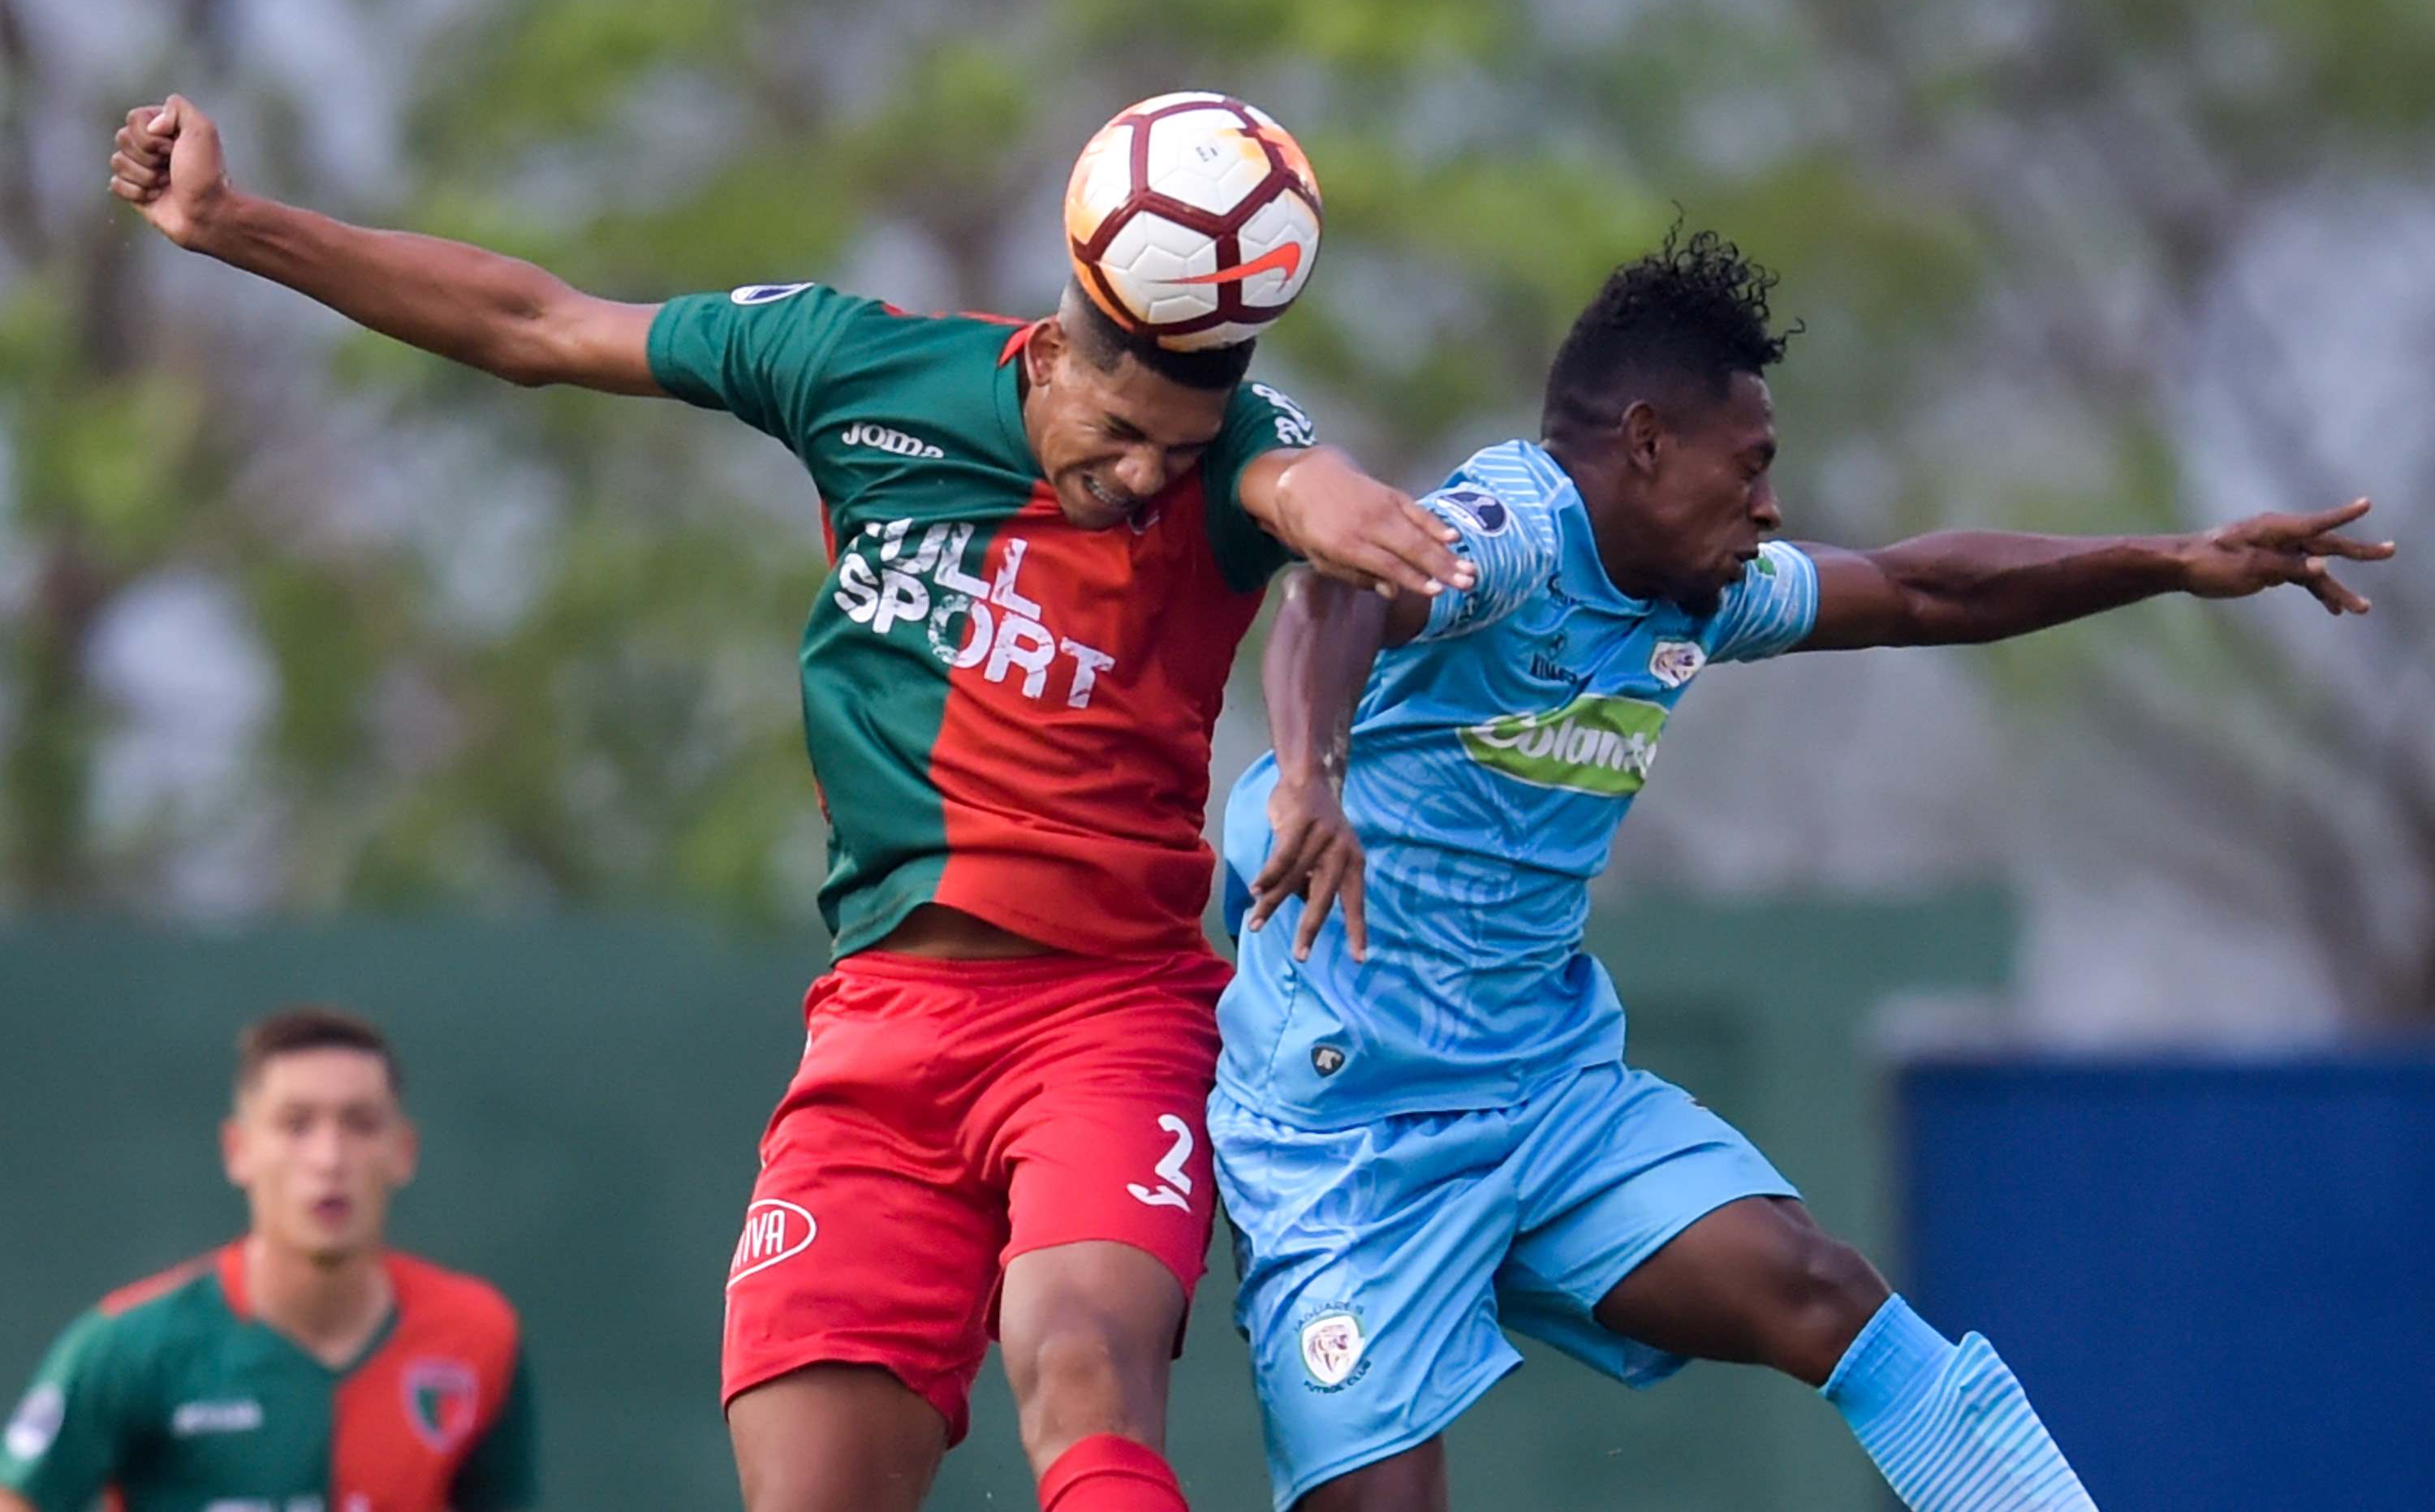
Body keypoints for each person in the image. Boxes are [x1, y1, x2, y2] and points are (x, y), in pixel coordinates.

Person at [106, 94, 1467, 1512]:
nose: (1143, 481)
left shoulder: (1234, 443)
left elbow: (1306, 498)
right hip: (878, 1040)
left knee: (1078, 1364)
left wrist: (1330, 537)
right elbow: (536, 324)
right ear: (1054, 343)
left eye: (1180, 460)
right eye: (1124, 434)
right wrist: (228, 222)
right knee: (810, 1481)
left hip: (1109, 1024)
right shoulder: (857, 370)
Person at [1218, 227, 2394, 1512]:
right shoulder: (1501, 539)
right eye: (1754, 467)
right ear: (1650, 443)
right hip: (1350, 1126)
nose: (1769, 508)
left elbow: (1920, 591)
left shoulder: (1694, 594)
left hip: (1546, 1096)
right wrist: (1313, 778)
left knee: (1819, 1288)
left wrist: (2169, 560)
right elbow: (1329, 594)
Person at [0, 1008, 537, 1512]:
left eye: (360, 1124)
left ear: (403, 1151)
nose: (329, 1158)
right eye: (296, 1125)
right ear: (239, 1151)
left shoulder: (477, 1334)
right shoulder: (130, 1346)